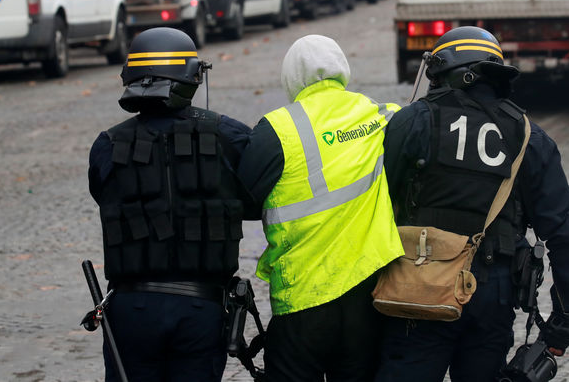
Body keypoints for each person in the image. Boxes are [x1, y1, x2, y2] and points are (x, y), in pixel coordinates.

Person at [375, 26, 569, 382]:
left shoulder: (412, 121)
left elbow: (375, 209)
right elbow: (568, 232)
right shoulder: (529, 136)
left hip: (417, 289)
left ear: (445, 73)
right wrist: (564, 321)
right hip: (493, 295)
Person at [87, 27, 255, 382]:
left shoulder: (106, 146)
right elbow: (253, 198)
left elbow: (104, 195)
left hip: (130, 311)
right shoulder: (230, 136)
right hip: (200, 311)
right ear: (193, 77)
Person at [237, 34, 404, 382]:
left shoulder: (278, 129)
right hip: (369, 295)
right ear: (342, 70)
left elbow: (243, 199)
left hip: (303, 301)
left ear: (291, 79)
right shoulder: (382, 115)